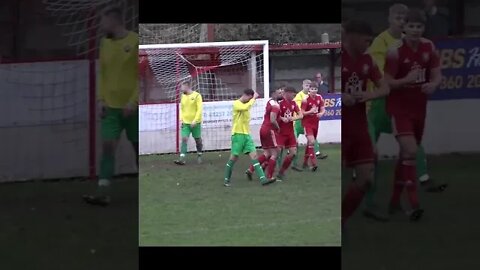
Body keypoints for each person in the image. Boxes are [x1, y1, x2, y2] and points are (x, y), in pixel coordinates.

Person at [384, 9, 442, 221]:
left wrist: (434, 84)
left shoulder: (429, 47)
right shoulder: (395, 50)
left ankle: (394, 201)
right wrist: (405, 80)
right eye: (411, 26)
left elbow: (436, 72)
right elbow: (387, 81)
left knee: (406, 156)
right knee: (410, 150)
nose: (415, 30)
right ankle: (414, 203)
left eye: (419, 26)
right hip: (399, 108)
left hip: (419, 107)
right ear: (404, 28)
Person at [83, 7, 139, 206]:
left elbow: (142, 77)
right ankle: (102, 192)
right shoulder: (104, 43)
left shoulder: (135, 41)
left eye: (103, 22)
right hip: (110, 108)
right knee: (107, 147)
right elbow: (103, 75)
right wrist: (100, 100)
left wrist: (134, 102)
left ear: (114, 22)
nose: (100, 26)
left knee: (137, 149)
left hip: (133, 110)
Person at [341, 19, 390, 227]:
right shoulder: (337, 57)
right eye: (365, 40)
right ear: (351, 36)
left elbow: (385, 88)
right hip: (340, 127)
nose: (368, 45)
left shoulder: (367, 61)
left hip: (359, 125)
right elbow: (319, 91)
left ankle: (341, 220)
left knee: (366, 178)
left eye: (370, 41)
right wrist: (340, 96)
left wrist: (367, 95)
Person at [223, 89, 276, 187]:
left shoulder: (246, 105)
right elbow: (245, 107)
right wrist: (254, 99)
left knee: (254, 156)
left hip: (247, 135)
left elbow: (246, 108)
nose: (250, 100)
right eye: (250, 98)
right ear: (246, 95)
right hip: (237, 135)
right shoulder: (236, 104)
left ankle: (263, 179)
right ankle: (226, 179)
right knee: (234, 157)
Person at [245, 86, 284, 180]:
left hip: (263, 129)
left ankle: (250, 169)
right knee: (275, 153)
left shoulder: (269, 102)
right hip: (270, 130)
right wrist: (278, 128)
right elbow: (272, 119)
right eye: (279, 93)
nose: (281, 94)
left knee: (267, 153)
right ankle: (269, 176)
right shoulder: (275, 105)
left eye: (282, 93)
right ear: (273, 94)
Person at [276, 86, 304, 181]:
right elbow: (274, 116)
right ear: (287, 93)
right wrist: (282, 118)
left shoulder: (293, 103)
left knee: (293, 153)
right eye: (292, 94)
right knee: (276, 153)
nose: (294, 96)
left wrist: (293, 118)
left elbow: (300, 115)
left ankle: (281, 172)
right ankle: (263, 168)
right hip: (280, 132)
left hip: (290, 132)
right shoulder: (280, 103)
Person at [174, 81, 203, 165]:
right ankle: (182, 159)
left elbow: (199, 109)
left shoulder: (197, 96)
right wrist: (181, 120)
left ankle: (199, 155)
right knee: (184, 138)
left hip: (195, 123)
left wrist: (195, 120)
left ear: (187, 87)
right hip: (185, 123)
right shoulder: (183, 96)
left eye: (182, 87)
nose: (181, 89)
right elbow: (182, 109)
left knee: (198, 140)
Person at [300, 82, 325, 171]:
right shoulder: (305, 99)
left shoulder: (319, 98)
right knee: (312, 141)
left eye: (315, 89)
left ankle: (305, 162)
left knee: (309, 143)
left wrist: (321, 113)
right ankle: (313, 164)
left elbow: (322, 108)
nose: (314, 91)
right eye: (312, 89)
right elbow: (302, 112)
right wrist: (310, 111)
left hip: (315, 123)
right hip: (307, 123)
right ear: (309, 90)